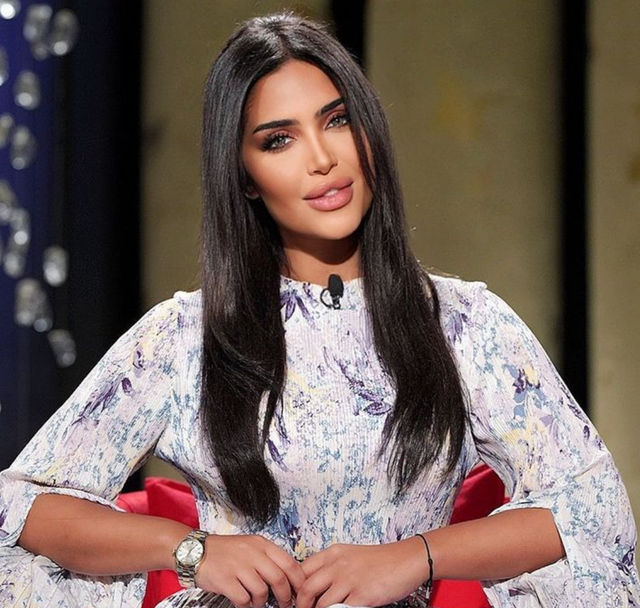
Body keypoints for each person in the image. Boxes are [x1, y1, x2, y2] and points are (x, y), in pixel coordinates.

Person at [0, 11, 638, 608]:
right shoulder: (185, 337)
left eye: (337, 120)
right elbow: (20, 505)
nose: (322, 159)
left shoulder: (465, 325)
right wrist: (191, 550)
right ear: (244, 176)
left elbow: (589, 505)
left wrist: (416, 556)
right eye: (279, 140)